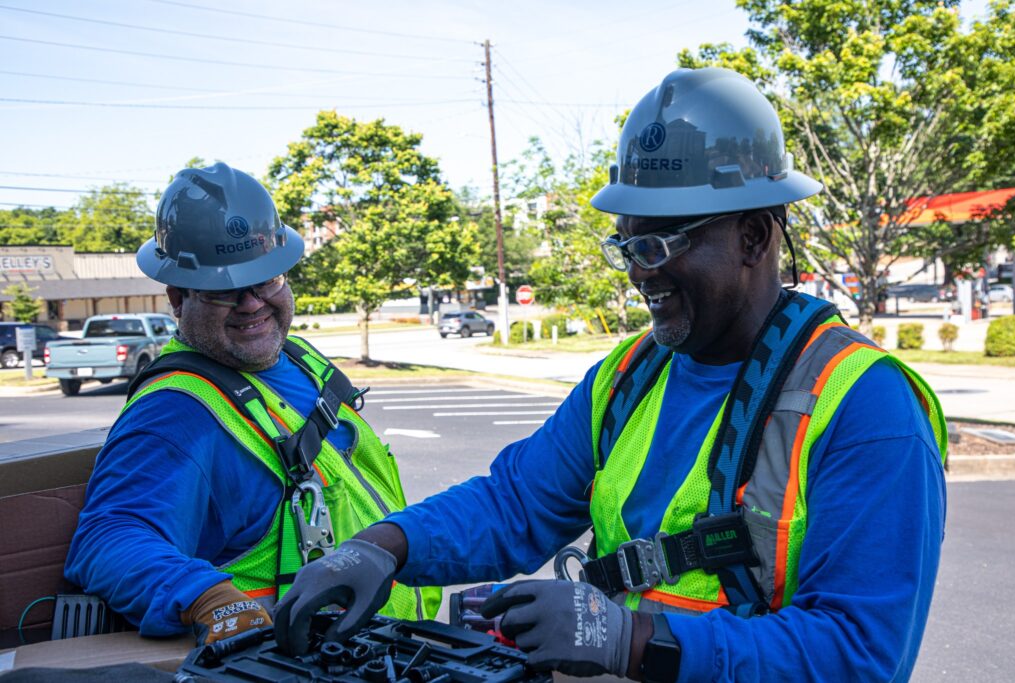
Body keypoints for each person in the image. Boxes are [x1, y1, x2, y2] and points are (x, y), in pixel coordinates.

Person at [274, 68, 947, 682]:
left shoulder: (866, 407)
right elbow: (515, 503)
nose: (638, 271)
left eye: (659, 244)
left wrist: (632, 639)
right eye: (626, 245)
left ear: (753, 236)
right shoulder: (628, 376)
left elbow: (859, 653)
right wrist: (380, 546)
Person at [64, 163, 439, 645]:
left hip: (392, 648)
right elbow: (107, 538)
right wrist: (205, 598)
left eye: (266, 280)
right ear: (178, 296)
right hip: (302, 664)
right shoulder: (174, 412)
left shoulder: (299, 360)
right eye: (224, 291)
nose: (252, 303)